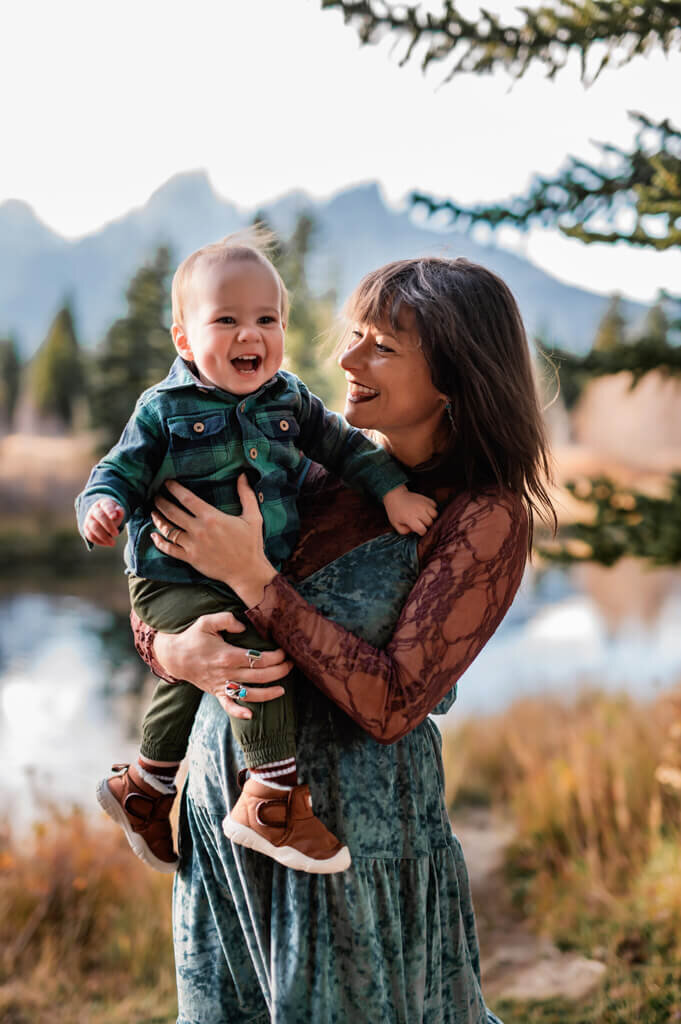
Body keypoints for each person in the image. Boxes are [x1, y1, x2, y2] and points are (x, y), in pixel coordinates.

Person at [133, 256, 555, 1023]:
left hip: (352, 843)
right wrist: (171, 653)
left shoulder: (482, 517)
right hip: (223, 818)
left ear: (454, 377)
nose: (346, 360)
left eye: (381, 346)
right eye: (354, 335)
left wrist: (257, 580)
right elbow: (169, 581)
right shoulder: (308, 465)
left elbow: (392, 703)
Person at [75, 231, 437, 875]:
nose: (251, 334)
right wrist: (101, 507)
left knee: (207, 664)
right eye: (227, 320)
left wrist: (392, 492)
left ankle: (145, 786)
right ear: (185, 340)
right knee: (248, 650)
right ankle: (271, 795)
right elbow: (117, 472)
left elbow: (346, 448)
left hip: (236, 577)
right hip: (169, 575)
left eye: (267, 320)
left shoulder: (289, 400)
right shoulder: (163, 410)